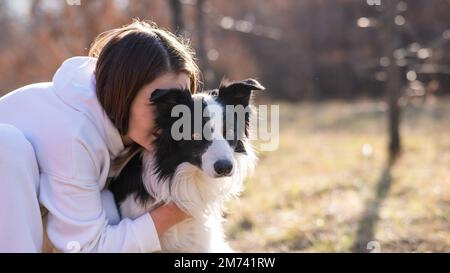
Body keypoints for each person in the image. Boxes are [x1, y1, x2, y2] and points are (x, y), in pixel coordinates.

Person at [0, 20, 199, 252]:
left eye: (180, 105)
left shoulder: (125, 129)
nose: (172, 119)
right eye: (160, 102)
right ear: (124, 90)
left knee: (108, 204)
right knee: (6, 144)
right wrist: (180, 208)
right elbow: (87, 248)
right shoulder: (73, 133)